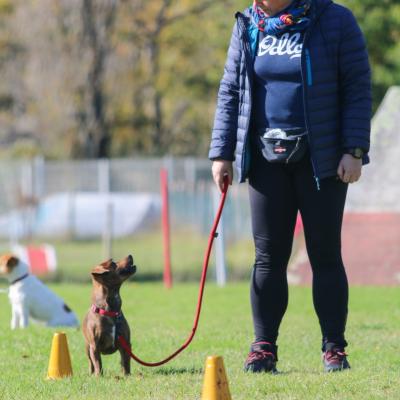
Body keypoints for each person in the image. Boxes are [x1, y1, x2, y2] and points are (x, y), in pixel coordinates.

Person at [209, 0, 371, 373]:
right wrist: (222, 153)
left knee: (325, 255)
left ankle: (334, 348)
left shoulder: (335, 20)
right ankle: (263, 347)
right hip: (265, 160)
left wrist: (354, 149)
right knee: (268, 258)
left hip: (323, 161)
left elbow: (357, 86)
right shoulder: (247, 24)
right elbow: (231, 89)